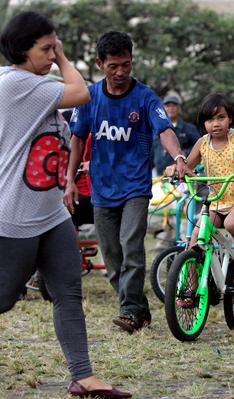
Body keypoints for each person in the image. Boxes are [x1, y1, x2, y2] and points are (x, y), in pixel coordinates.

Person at [0, 12, 131, 398]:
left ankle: (83, 375)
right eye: (46, 48)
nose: (52, 53)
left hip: (51, 213)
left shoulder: (33, 85)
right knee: (5, 297)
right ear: (22, 52)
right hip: (16, 214)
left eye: (54, 46)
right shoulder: (20, 84)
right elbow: (82, 92)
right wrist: (63, 58)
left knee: (68, 292)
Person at [65, 31, 190, 333]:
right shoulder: (89, 97)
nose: (121, 72)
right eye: (113, 66)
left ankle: (130, 312)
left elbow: (165, 131)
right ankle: (139, 310)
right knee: (112, 261)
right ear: (100, 64)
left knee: (131, 247)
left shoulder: (145, 97)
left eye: (126, 65)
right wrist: (69, 179)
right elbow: (77, 139)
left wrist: (179, 157)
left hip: (135, 186)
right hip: (101, 189)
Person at [184, 93, 234, 281]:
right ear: (203, 123)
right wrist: (176, 168)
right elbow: (186, 166)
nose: (216, 124)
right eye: (210, 119)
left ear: (230, 118)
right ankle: (191, 282)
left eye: (221, 117)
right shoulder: (202, 143)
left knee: (231, 223)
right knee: (196, 235)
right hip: (218, 199)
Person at [153, 94, 200, 175]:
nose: (171, 108)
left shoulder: (188, 128)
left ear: (179, 109)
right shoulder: (156, 129)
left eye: (174, 105)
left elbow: (200, 147)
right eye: (168, 106)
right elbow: (151, 151)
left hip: (180, 175)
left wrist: (184, 153)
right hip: (159, 174)